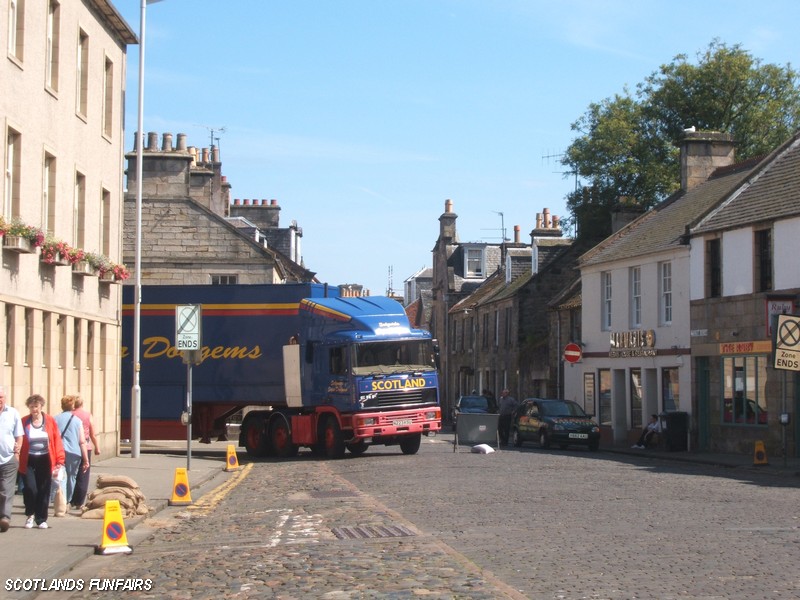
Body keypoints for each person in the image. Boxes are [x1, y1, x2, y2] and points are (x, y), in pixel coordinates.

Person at [18, 394, 65, 529]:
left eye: (36, 407)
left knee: (44, 489)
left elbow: (57, 441)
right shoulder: (24, 421)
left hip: (45, 458)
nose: (34, 410)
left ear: (41, 406)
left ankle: (41, 518)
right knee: (30, 489)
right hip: (28, 459)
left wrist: (59, 460)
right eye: (32, 407)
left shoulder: (50, 421)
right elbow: (19, 438)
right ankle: (30, 515)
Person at [52, 396, 89, 516]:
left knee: (59, 477)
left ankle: (58, 501)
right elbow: (82, 441)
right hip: (74, 452)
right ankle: (67, 502)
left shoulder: (55, 419)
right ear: (73, 406)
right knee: (71, 477)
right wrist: (86, 459)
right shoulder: (77, 421)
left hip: (58, 452)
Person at [0, 386, 24, 532]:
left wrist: (17, 453)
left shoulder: (13, 413)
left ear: (5, 399)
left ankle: (5, 517)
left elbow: (19, 435)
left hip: (8, 458)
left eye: (1, 398)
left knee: (6, 490)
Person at [70, 394, 99, 509]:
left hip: (71, 447)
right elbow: (92, 433)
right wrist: (97, 447)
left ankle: (69, 499)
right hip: (85, 447)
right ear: (82, 404)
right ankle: (79, 502)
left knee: (71, 474)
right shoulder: (87, 415)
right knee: (83, 474)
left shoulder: (70, 415)